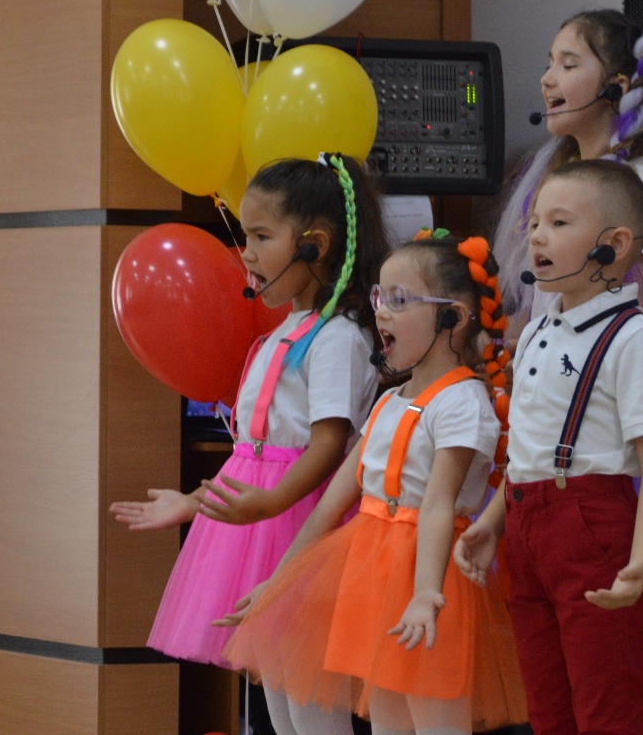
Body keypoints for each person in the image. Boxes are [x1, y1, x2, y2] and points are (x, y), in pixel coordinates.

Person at [110, 154, 385, 730]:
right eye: (245, 236)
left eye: (261, 236)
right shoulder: (289, 328)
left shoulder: (338, 337)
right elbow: (254, 452)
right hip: (265, 519)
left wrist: (270, 504)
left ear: (314, 245)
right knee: (280, 700)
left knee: (309, 699)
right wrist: (195, 502)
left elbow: (329, 445)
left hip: (302, 524)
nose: (247, 253)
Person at [219, 233, 527, 735]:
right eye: (381, 297)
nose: (381, 312)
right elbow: (330, 507)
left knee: (437, 720)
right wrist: (279, 582)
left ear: (453, 318)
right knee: (387, 721)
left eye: (399, 300)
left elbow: (438, 505)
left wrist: (426, 592)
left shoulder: (463, 403)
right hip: (372, 578)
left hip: (430, 580)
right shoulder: (387, 402)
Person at [494, 9, 643, 609]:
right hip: (551, 404)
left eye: (568, 64)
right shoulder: (561, 174)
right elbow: (543, 303)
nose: (547, 78)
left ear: (618, 87)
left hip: (615, 409)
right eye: (549, 62)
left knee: (614, 607)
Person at [457, 160, 643, 735]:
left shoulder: (635, 337)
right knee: (546, 708)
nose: (537, 237)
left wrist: (641, 559)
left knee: (607, 705)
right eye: (535, 223)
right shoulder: (537, 329)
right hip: (527, 525)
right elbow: (528, 450)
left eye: (558, 223)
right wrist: (492, 522)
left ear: (615, 244)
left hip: (591, 525)